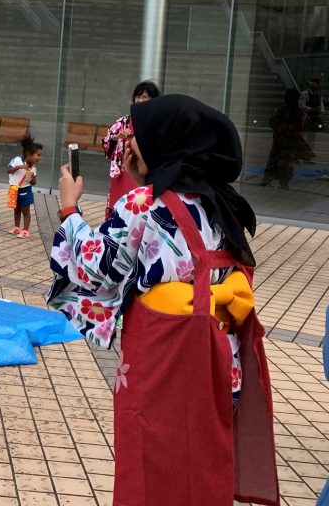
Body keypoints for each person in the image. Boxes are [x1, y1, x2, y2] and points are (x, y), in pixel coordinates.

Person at [48, 95, 279, 506]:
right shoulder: (221, 204)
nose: (130, 144)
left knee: (150, 464)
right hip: (219, 361)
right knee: (204, 460)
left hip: (162, 360)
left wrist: (69, 209)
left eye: (138, 135)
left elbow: (98, 265)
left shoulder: (144, 204)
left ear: (166, 141)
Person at [101, 80, 160, 220]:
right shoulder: (123, 121)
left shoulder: (157, 122)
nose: (140, 100)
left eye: (145, 97)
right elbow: (106, 141)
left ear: (153, 100)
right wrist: (116, 137)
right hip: (122, 171)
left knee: (140, 204)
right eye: (137, 96)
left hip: (144, 171)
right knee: (118, 205)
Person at [262, 88, 313, 189]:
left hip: (279, 140)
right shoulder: (298, 112)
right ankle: (284, 182)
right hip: (290, 141)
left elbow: (273, 123)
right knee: (286, 162)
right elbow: (299, 127)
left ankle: (267, 179)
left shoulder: (281, 110)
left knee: (274, 160)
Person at [7, 135, 43, 238]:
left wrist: (31, 179)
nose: (39, 158)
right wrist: (20, 167)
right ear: (29, 154)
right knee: (16, 209)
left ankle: (26, 230)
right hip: (14, 189)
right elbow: (8, 170)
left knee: (25, 211)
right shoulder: (17, 160)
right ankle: (16, 227)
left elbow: (34, 182)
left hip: (25, 190)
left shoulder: (33, 168)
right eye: (38, 155)